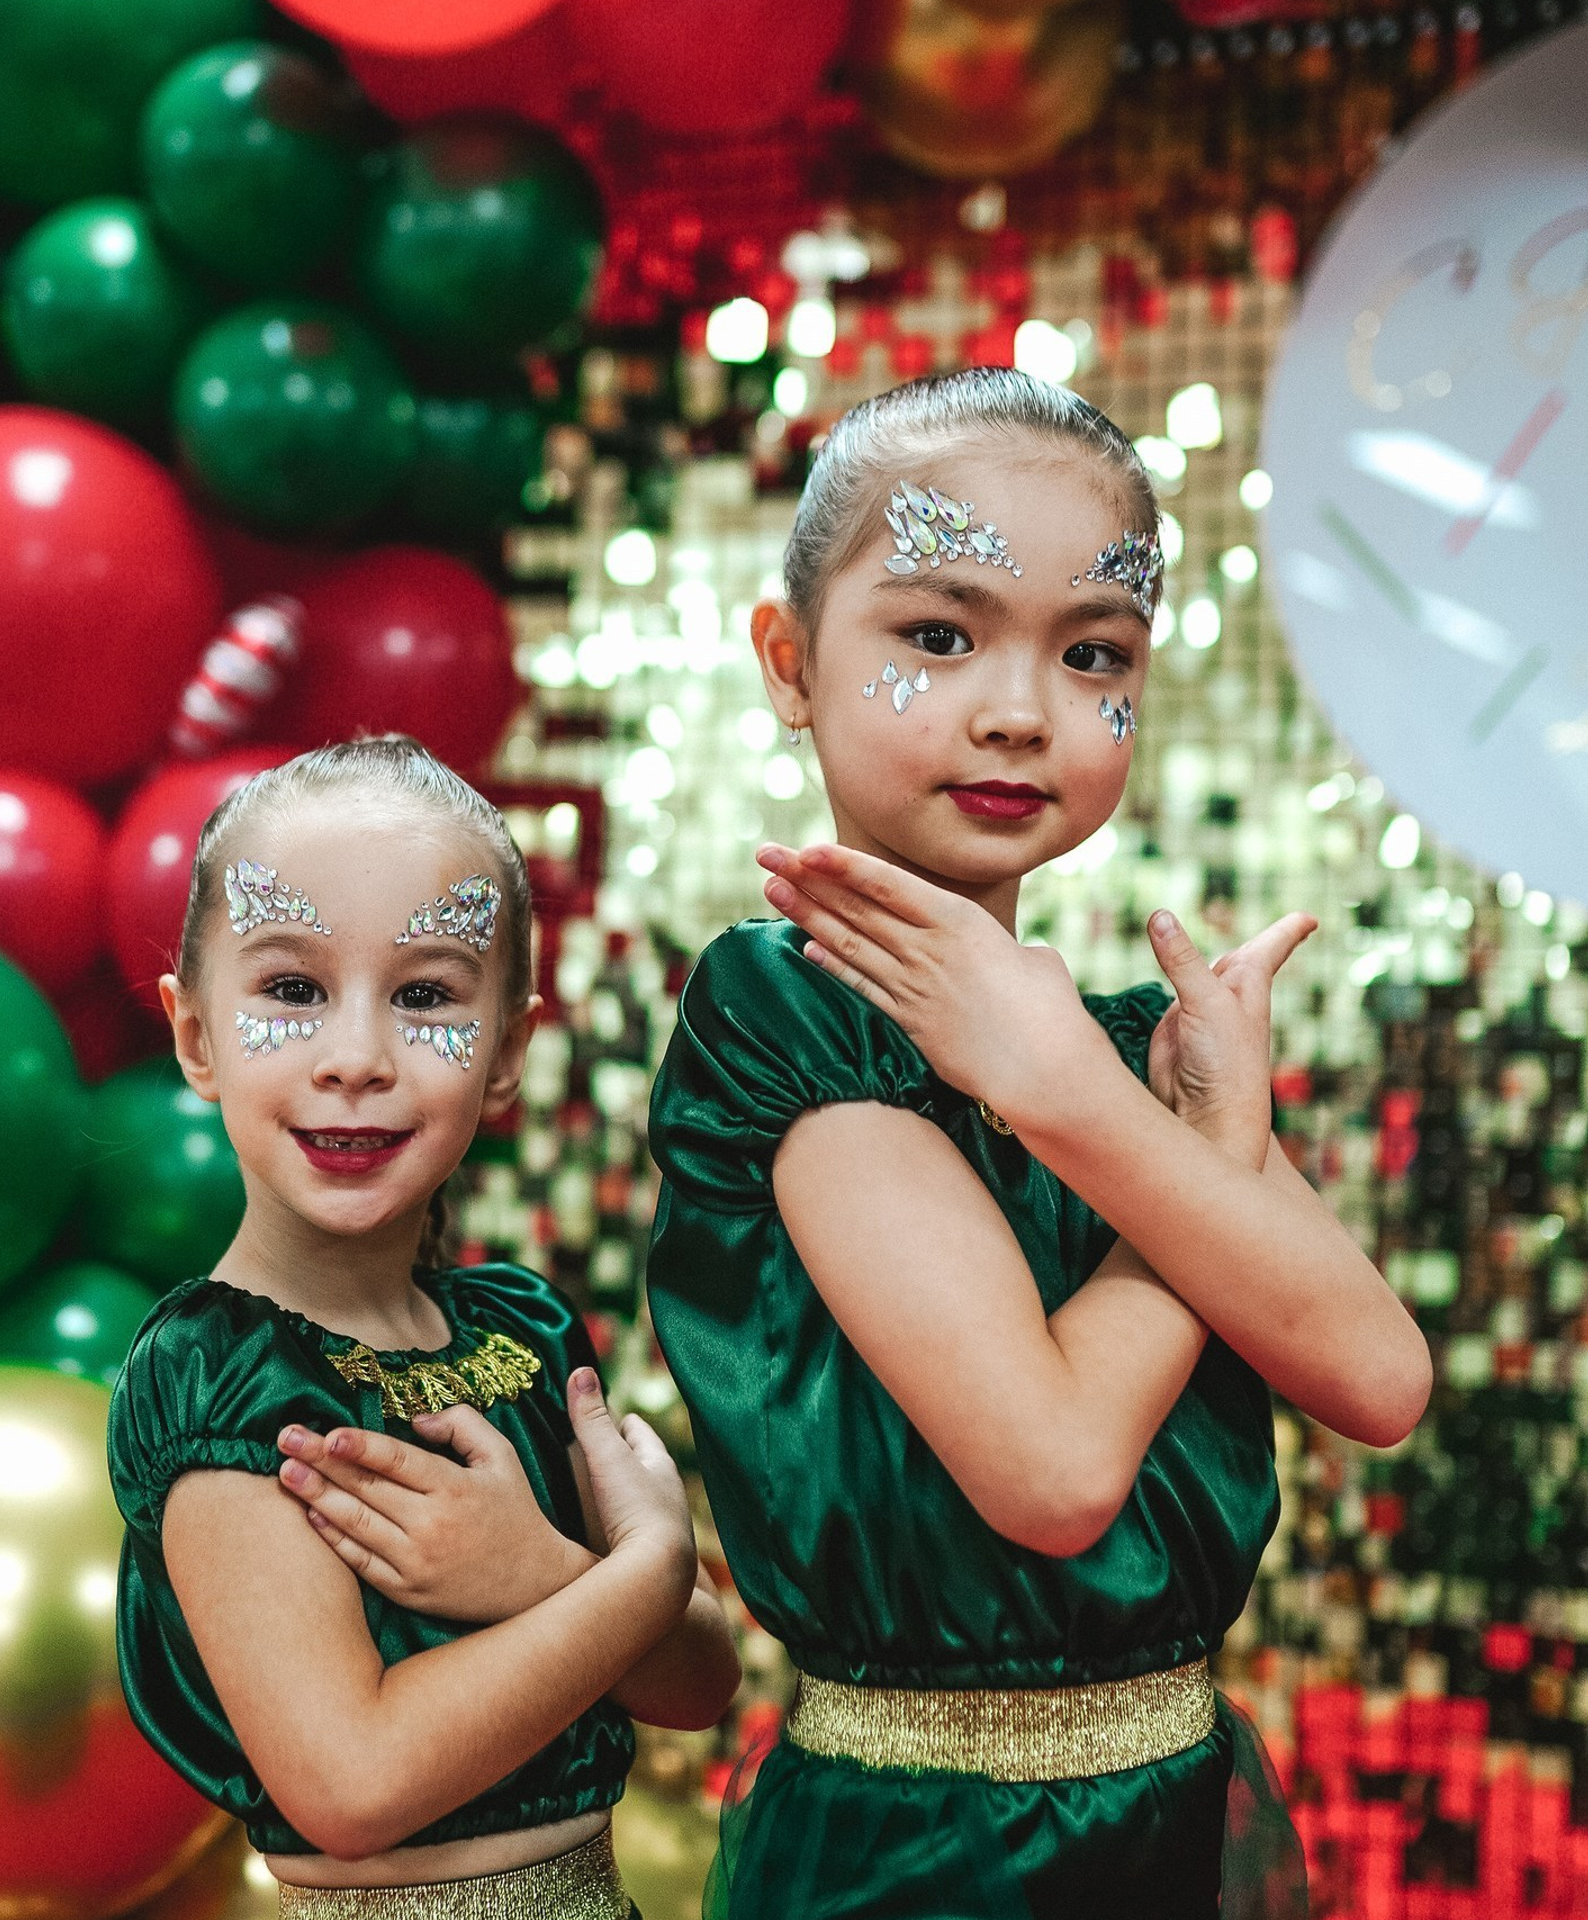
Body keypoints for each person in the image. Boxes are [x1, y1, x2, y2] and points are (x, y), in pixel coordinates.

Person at [644, 369, 1433, 1919]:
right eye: (937, 636)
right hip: (919, 1856)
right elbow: (1055, 1472)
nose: (1021, 709)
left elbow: (1379, 1379)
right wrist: (1153, 1132)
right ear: (791, 663)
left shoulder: (1132, 1040)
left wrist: (1107, 1090)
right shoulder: (785, 1013)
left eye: (1093, 656)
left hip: (1179, 1817)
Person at [109, 737, 740, 1919]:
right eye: (291, 991)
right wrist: (641, 1569)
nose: (358, 1058)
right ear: (196, 1036)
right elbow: (352, 1783)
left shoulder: (525, 1331)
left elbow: (696, 1682)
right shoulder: (223, 1378)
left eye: (427, 996)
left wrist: (536, 1573)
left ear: (507, 1048)